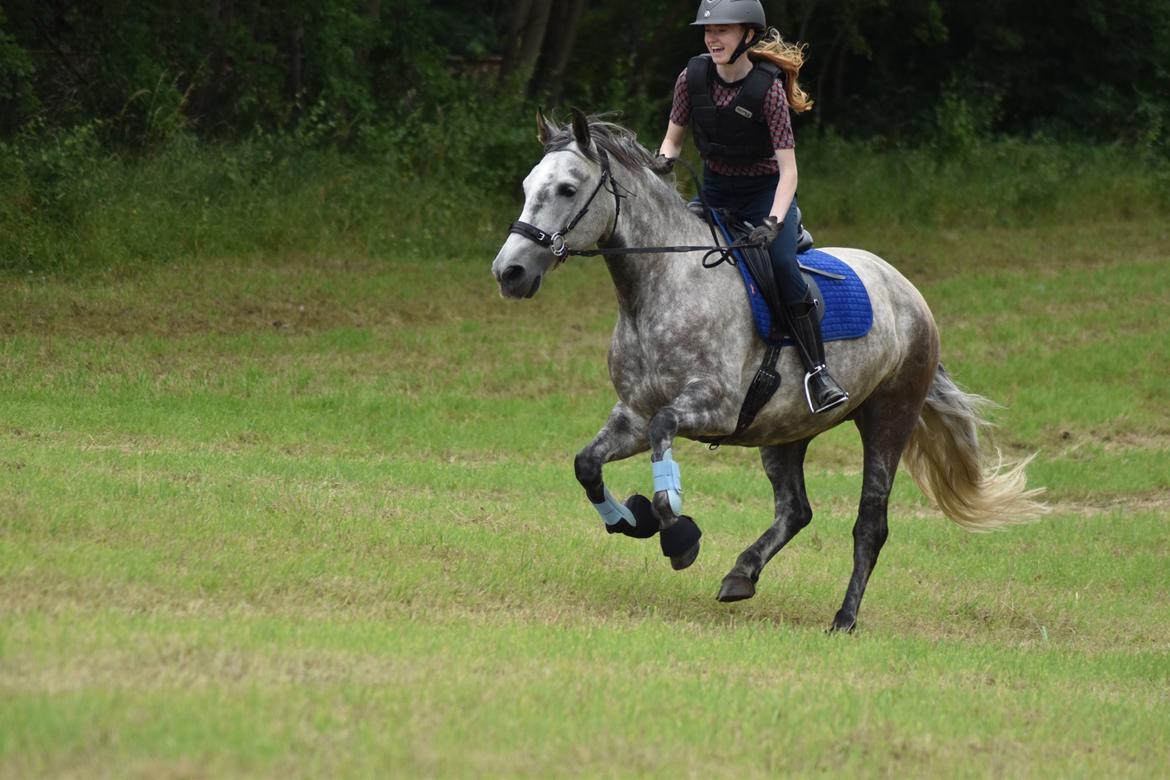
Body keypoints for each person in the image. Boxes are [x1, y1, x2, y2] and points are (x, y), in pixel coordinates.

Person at [655, 0, 848, 414]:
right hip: (715, 193)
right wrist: (664, 160)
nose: (712, 38)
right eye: (708, 31)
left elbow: (789, 172)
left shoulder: (769, 90)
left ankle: (818, 371)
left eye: (722, 30)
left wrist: (774, 222)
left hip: (766, 194)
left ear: (747, 35)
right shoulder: (691, 78)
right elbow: (672, 139)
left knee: (780, 265)